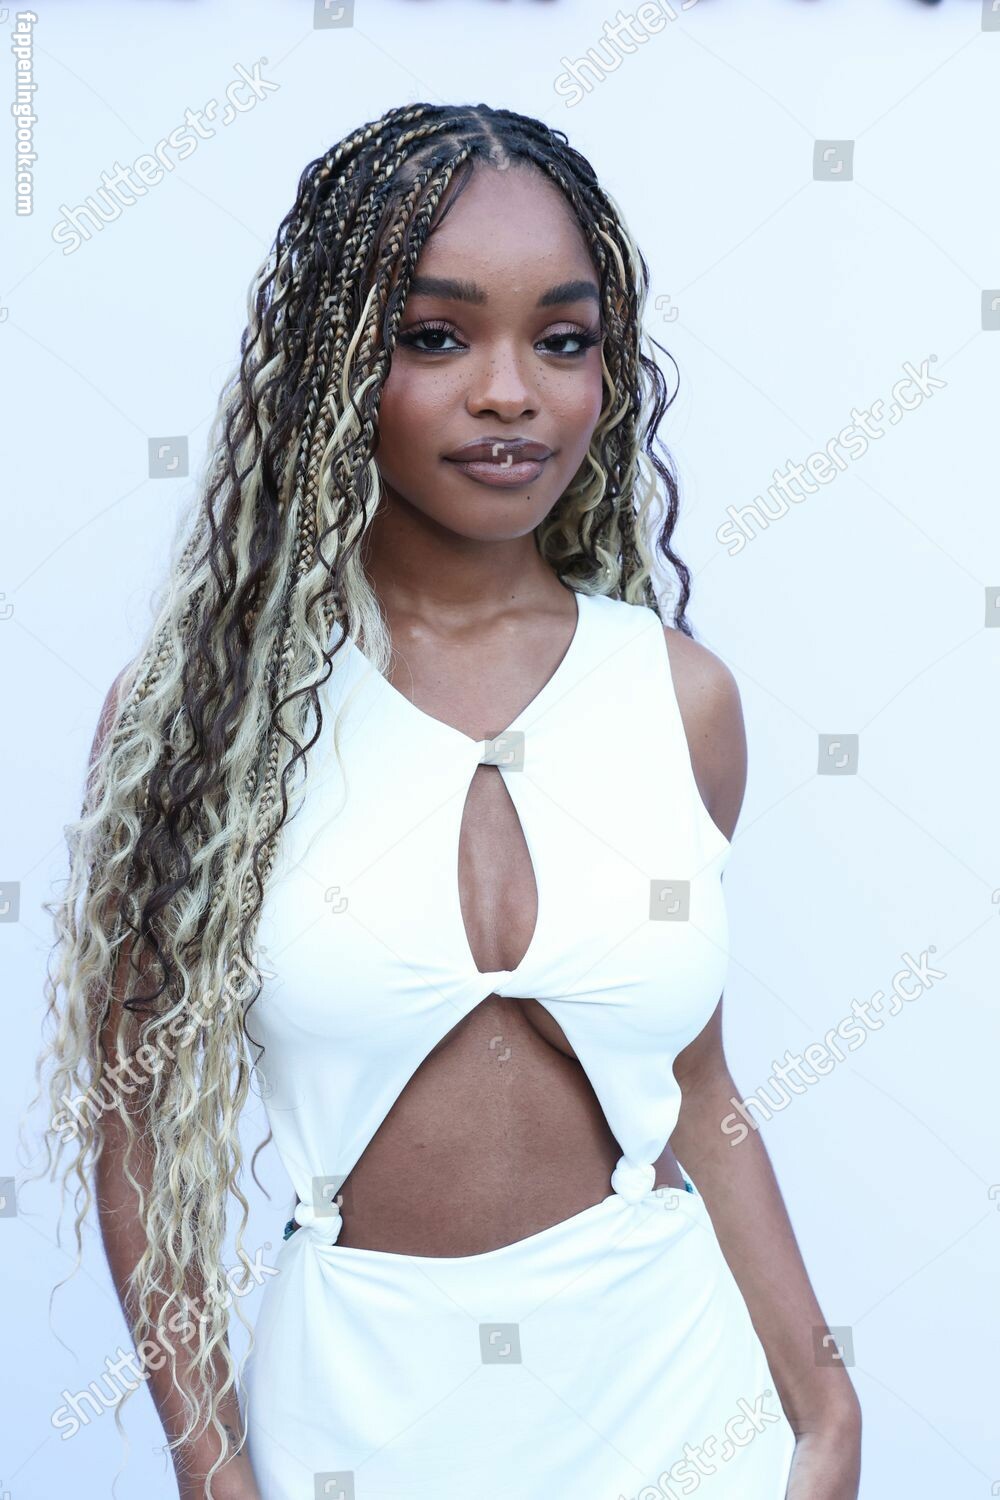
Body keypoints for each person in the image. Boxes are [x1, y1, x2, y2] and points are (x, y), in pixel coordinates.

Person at [27, 103, 861, 1500]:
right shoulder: (206, 721)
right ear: (336, 364)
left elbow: (696, 1085)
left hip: (684, 1412)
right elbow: (137, 1127)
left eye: (563, 338)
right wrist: (216, 1477)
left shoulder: (680, 699)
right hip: (358, 1426)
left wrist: (824, 1411)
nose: (510, 392)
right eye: (436, 335)